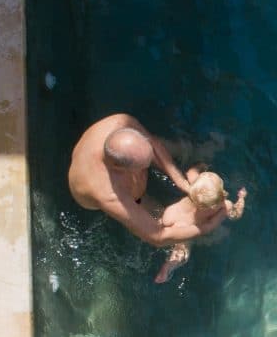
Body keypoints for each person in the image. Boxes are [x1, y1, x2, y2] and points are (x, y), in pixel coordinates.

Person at [67, 113, 213, 249]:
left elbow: (153, 145)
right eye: (143, 168)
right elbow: (158, 236)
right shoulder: (108, 193)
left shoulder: (120, 122)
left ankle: (193, 150)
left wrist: (180, 181)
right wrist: (204, 228)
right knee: (164, 219)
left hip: (130, 157)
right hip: (125, 194)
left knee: (159, 147)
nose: (146, 171)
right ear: (120, 169)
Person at [152, 169, 248, 283]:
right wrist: (242, 198)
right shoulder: (225, 205)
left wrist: (200, 166)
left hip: (169, 215)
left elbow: (190, 172)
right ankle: (168, 266)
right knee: (183, 252)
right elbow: (235, 215)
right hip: (184, 229)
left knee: (158, 221)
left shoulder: (196, 190)